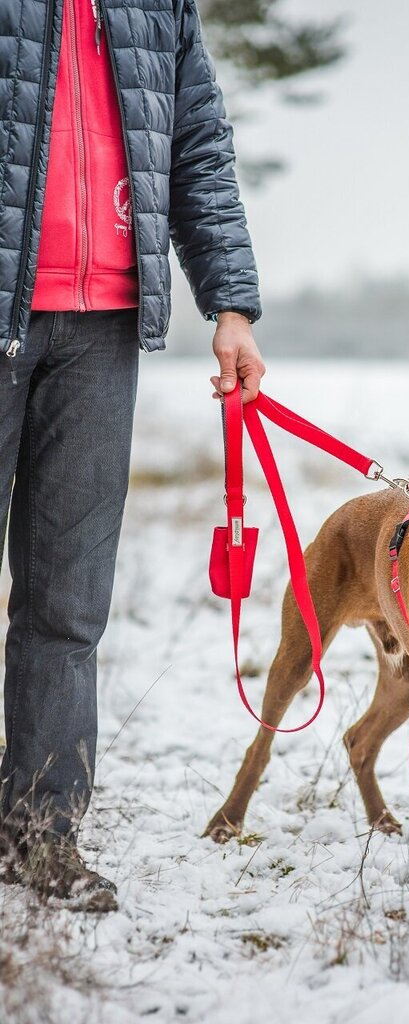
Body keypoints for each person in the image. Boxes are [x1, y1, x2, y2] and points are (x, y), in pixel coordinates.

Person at [0, 0, 265, 912]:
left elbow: (195, 147)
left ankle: (40, 838)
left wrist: (230, 304)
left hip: (102, 330)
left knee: (69, 608)